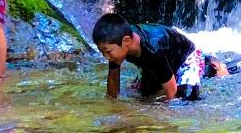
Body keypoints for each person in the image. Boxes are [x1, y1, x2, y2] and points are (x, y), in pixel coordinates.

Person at [91, 13, 228, 101]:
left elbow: (172, 92)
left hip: (185, 57)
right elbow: (113, 84)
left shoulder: (153, 48)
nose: (106, 57)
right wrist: (111, 105)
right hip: (156, 60)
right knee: (145, 96)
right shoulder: (116, 46)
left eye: (107, 52)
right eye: (102, 52)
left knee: (186, 99)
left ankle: (211, 66)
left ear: (126, 42)